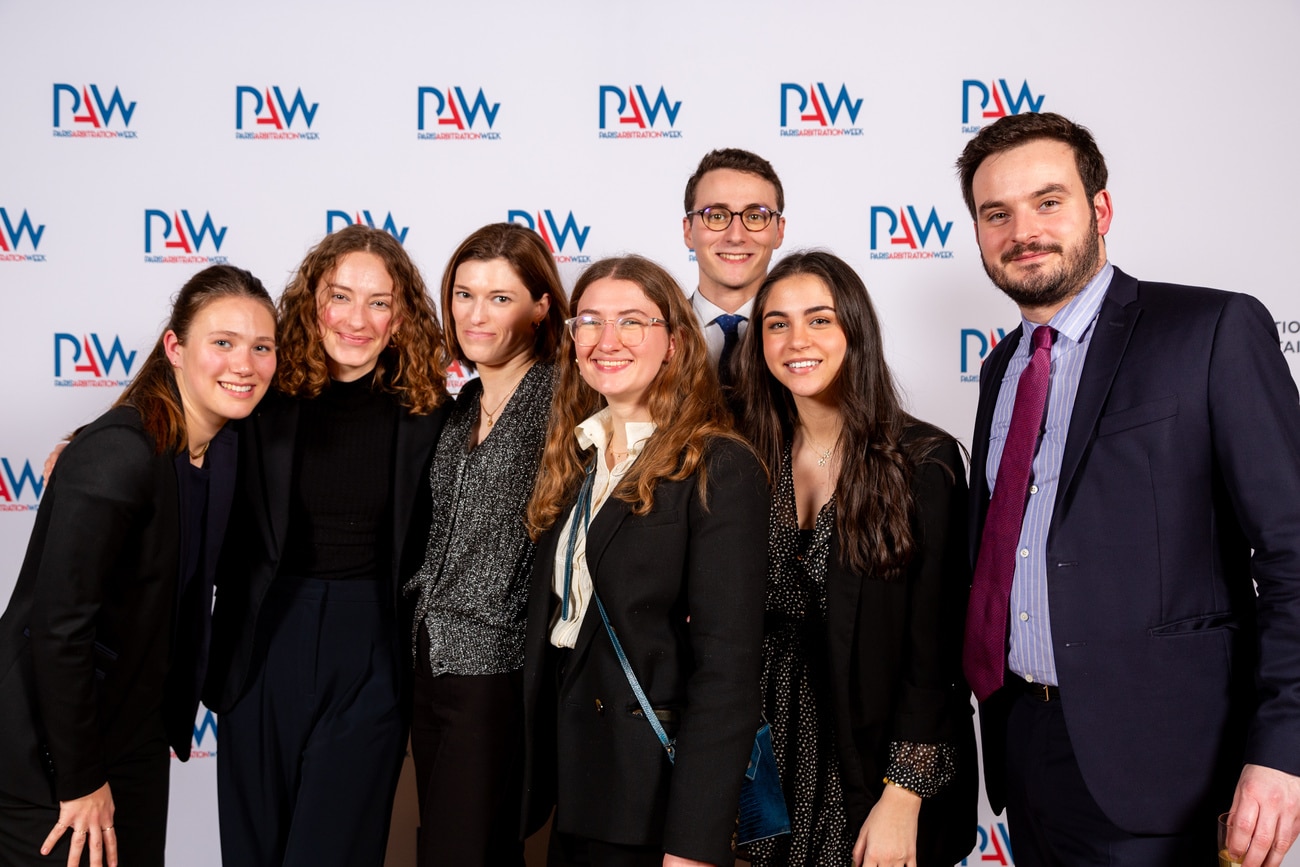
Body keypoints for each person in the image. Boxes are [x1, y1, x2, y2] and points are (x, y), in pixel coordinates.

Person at [956, 112, 1300, 866]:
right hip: (1026, 746)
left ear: (1100, 209)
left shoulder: (1210, 329)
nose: (1023, 231)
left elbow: (1293, 551)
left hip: (1167, 764)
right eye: (996, 213)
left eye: (1049, 202)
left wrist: (1284, 751)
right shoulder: (1002, 367)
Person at [0, 265, 278, 867]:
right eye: (223, 342)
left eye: (262, 347)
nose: (245, 364)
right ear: (174, 348)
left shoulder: (221, 447)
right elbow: (59, 629)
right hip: (50, 748)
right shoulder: (119, 454)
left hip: (136, 736)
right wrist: (80, 779)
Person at [205, 225, 450, 867]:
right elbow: (179, 411)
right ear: (312, 302)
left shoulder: (431, 415)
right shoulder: (259, 394)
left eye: (379, 302)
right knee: (255, 853)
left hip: (372, 651)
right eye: (340, 297)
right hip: (262, 642)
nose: (357, 320)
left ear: (401, 317)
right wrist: (92, 436)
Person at [520, 255, 769, 867]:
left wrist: (694, 842)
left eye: (632, 321)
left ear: (674, 343)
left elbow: (727, 672)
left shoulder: (718, 465)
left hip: (652, 794)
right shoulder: (576, 455)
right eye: (590, 321)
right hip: (574, 780)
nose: (607, 340)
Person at [732, 251, 975, 867]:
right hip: (760, 751)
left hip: (870, 761)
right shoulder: (744, 458)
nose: (797, 340)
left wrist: (904, 794)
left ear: (855, 330)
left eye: (820, 319)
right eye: (777, 323)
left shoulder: (922, 461)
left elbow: (937, 656)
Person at [402, 222, 569, 867]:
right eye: (464, 294)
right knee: (448, 845)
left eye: (500, 298)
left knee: (466, 849)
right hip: (429, 659)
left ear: (541, 307)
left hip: (497, 670)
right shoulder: (462, 404)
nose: (476, 314)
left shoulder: (564, 402)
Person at [681, 148, 786, 383]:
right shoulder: (656, 336)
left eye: (755, 216)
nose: (736, 236)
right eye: (716, 216)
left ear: (779, 231)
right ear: (688, 231)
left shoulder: (803, 342)